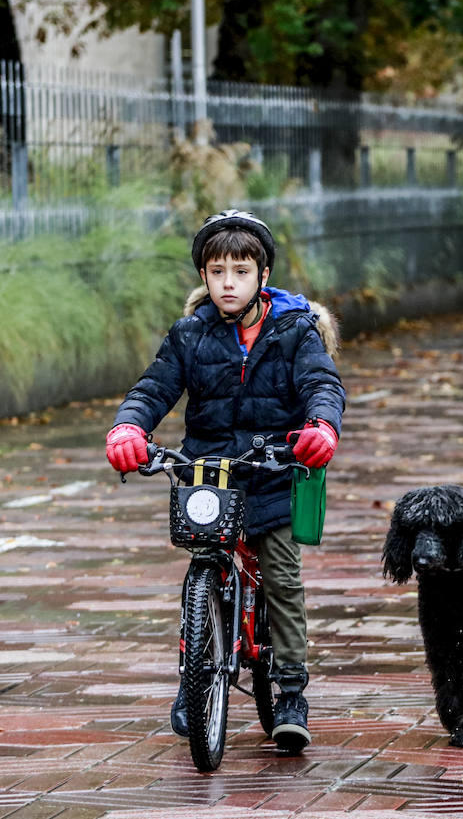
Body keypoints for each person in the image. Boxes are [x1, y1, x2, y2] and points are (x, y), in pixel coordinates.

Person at [104, 209, 345, 752]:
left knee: (281, 577)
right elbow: (153, 389)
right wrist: (128, 427)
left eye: (240, 270)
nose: (228, 282)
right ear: (204, 277)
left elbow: (321, 385)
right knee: (201, 566)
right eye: (216, 271)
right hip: (208, 476)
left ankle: (289, 690)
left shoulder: (293, 332)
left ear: (262, 276)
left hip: (272, 470)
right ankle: (195, 676)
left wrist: (321, 426)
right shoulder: (190, 334)